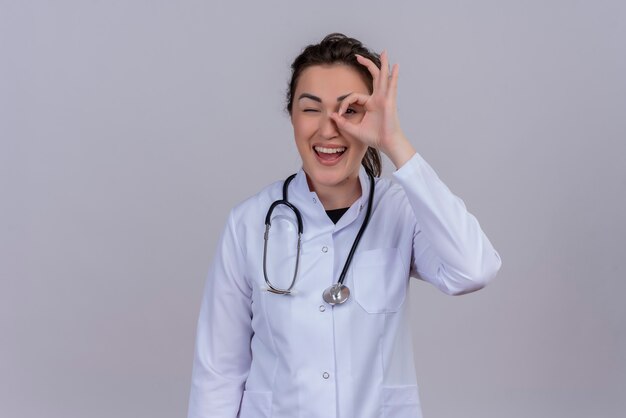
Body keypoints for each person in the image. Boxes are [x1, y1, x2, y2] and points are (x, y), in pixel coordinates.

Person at [187, 33, 502, 418]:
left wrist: (395, 143)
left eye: (349, 110)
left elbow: (474, 269)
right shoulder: (250, 223)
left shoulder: (400, 211)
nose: (328, 129)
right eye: (311, 109)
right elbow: (218, 373)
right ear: (291, 115)